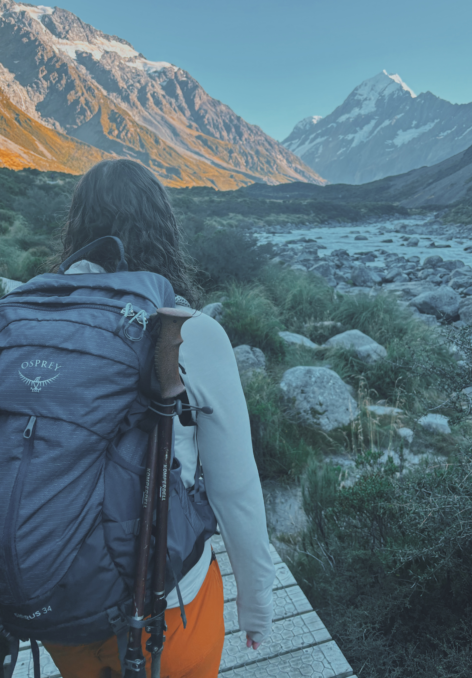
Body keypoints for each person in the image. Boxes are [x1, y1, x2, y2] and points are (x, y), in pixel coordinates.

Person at [41, 159, 276, 677]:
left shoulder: (27, 317)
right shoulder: (190, 332)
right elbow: (235, 490)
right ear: (163, 229)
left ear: (76, 227)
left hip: (55, 597)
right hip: (165, 611)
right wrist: (256, 602)